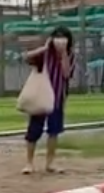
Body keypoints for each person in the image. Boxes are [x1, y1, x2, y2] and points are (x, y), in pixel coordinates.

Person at [23, 26, 77, 174]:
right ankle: (29, 163)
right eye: (57, 37)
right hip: (41, 97)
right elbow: (27, 57)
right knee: (34, 130)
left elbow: (66, 74)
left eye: (63, 37)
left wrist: (64, 53)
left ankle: (50, 163)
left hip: (57, 97)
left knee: (54, 131)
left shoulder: (70, 55)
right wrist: (44, 48)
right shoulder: (45, 54)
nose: (60, 40)